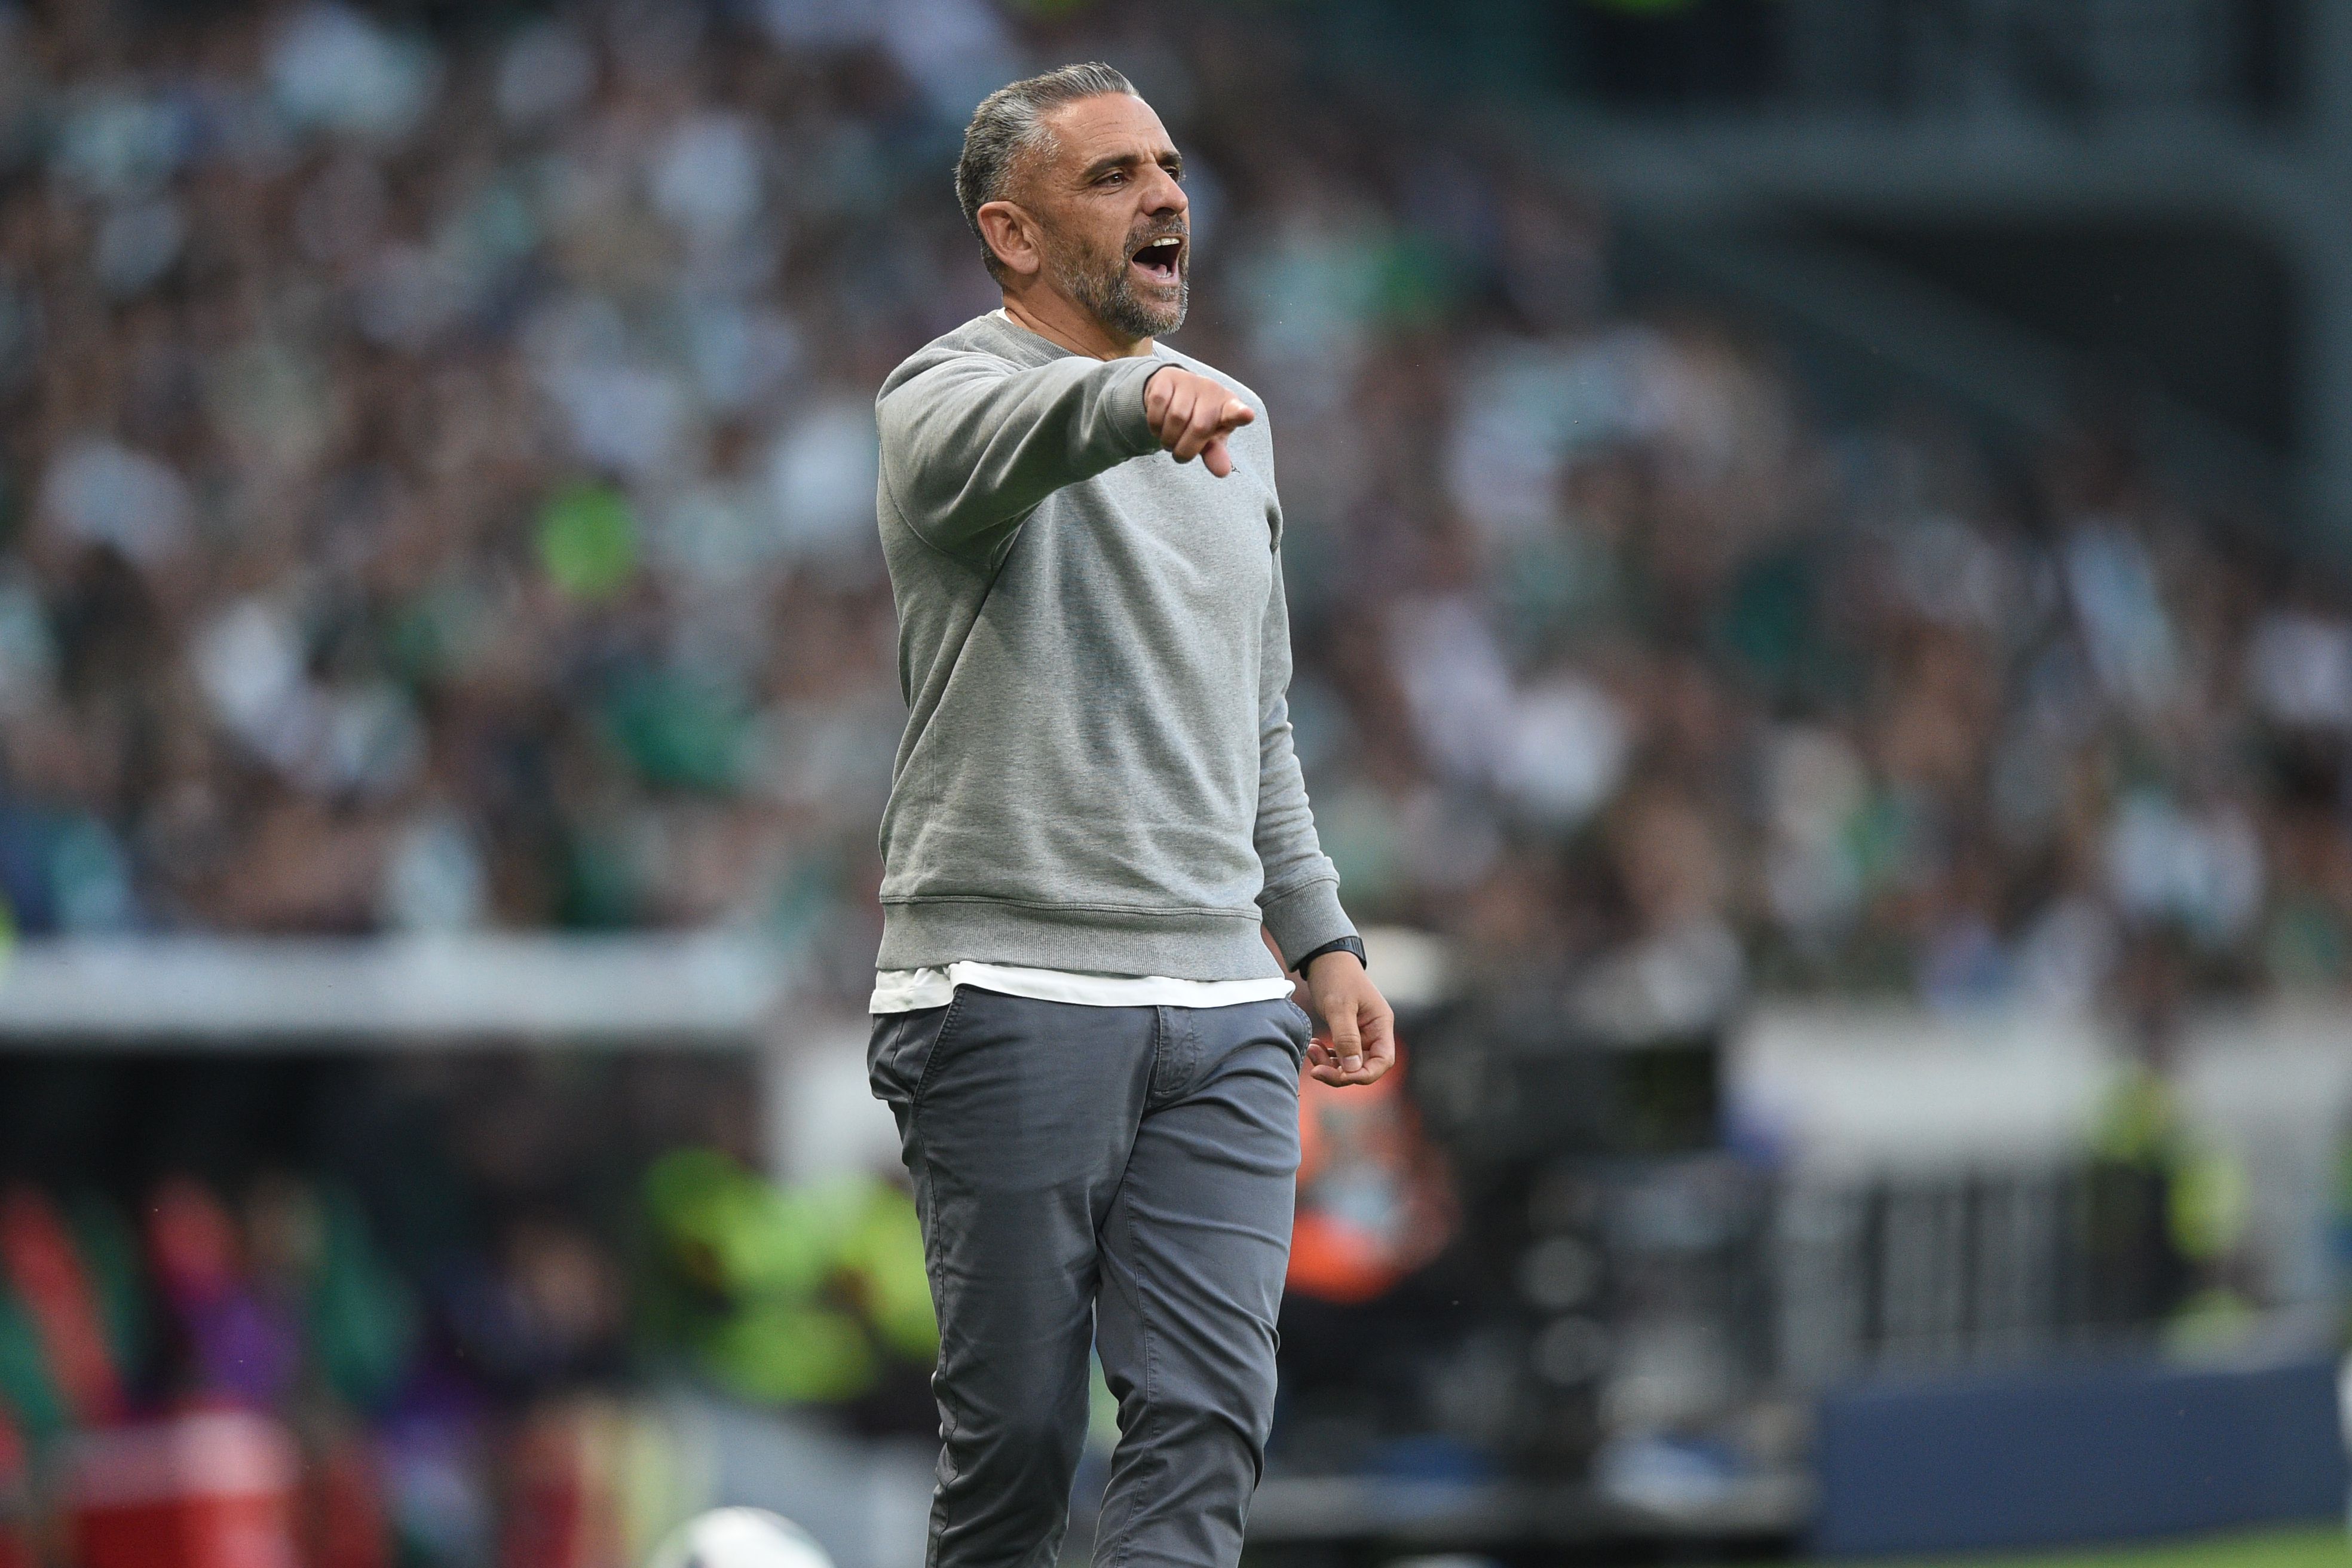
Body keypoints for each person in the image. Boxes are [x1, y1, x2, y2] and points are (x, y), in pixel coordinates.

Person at [864, 61, 1395, 1568]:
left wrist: (1320, 935)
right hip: (1008, 987)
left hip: (1227, 1003)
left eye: (1167, 166)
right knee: (1019, 1450)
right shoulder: (938, 399)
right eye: (1112, 175)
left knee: (1209, 1423)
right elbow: (1017, 442)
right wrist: (1132, 399)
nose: (1165, 195)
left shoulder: (1236, 424)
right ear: (1013, 232)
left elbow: (1257, 713)